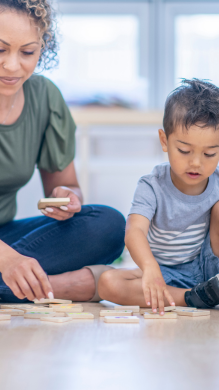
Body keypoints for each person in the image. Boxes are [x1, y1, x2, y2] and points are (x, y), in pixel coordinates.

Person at [0, 0, 125, 302]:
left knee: (109, 225)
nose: (13, 66)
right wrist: (8, 262)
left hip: (2, 236)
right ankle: (60, 287)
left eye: (27, 52)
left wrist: (68, 197)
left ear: (42, 46)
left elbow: (65, 186)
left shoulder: (45, 96)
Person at [98, 79, 219, 313]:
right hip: (165, 272)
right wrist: (149, 266)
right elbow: (134, 231)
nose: (196, 162)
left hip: (211, 263)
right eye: (184, 151)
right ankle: (194, 297)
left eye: (209, 153)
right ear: (164, 141)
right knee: (107, 284)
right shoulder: (151, 186)